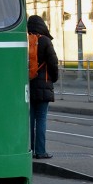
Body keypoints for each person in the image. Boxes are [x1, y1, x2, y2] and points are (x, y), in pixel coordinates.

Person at [28, 14, 59, 159]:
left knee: (29, 119)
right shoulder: (45, 41)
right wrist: (54, 78)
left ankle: (29, 149)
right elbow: (53, 63)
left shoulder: (25, 41)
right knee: (41, 119)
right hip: (44, 85)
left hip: (28, 85)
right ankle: (40, 151)